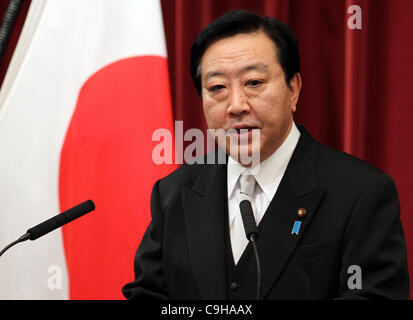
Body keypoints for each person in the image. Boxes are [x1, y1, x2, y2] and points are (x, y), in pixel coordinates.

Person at [122, 9, 409, 299]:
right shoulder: (173, 193)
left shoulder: (361, 193)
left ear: (293, 89)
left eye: (254, 83)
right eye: (217, 88)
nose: (236, 105)